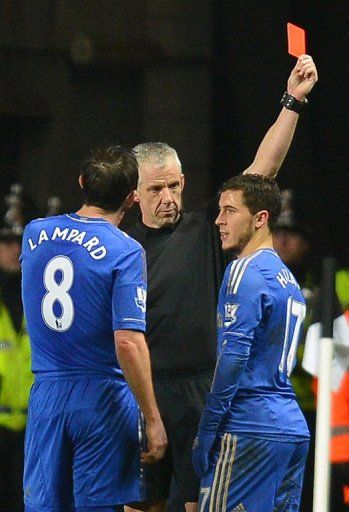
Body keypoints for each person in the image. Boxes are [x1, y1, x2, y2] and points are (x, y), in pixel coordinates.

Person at [126, 55, 318, 512]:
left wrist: (292, 99)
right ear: (135, 193)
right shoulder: (121, 247)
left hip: (198, 392)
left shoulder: (207, 229)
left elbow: (262, 170)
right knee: (137, 506)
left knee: (195, 505)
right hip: (143, 393)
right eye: (156, 189)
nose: (169, 197)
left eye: (175, 185)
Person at [20, 146, 167, 512]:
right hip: (101, 397)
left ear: (82, 182)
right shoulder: (126, 250)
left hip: (47, 396)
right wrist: (152, 418)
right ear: (132, 198)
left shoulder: (34, 232)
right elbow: (129, 342)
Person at [192, 175, 309, 511]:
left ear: (261, 219)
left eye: (230, 210)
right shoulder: (287, 279)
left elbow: (233, 356)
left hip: (248, 426)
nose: (219, 220)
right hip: (290, 429)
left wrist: (208, 428)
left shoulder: (243, 270)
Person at [0, 223, 33, 512]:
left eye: (19, 242)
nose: (14, 250)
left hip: (34, 428)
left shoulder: (39, 296)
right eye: (7, 242)